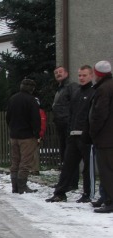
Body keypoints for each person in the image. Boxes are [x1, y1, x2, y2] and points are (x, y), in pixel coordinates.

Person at [46, 65, 94, 203]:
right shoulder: (77, 93)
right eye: (80, 75)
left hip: (86, 136)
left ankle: (87, 194)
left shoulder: (93, 92)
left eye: (84, 75)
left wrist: (89, 133)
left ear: (91, 76)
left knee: (87, 167)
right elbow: (71, 113)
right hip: (72, 134)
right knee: (67, 164)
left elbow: (93, 116)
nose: (82, 78)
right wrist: (69, 131)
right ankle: (60, 193)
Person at [6, 78, 41, 194]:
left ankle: (14, 186)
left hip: (14, 135)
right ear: (32, 88)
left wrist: (12, 129)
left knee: (15, 161)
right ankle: (22, 186)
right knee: (25, 162)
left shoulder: (12, 99)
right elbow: (36, 119)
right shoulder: (32, 101)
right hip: (27, 136)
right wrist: (37, 134)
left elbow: (8, 117)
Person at [87, 61, 113, 213]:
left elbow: (100, 113)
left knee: (107, 170)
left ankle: (110, 200)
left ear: (98, 74)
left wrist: (93, 131)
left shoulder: (103, 89)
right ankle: (106, 198)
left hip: (106, 137)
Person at [32, 97, 47, 175]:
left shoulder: (40, 112)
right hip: (31, 134)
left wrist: (40, 135)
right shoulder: (32, 112)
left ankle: (35, 169)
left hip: (36, 135)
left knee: (35, 152)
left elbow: (42, 124)